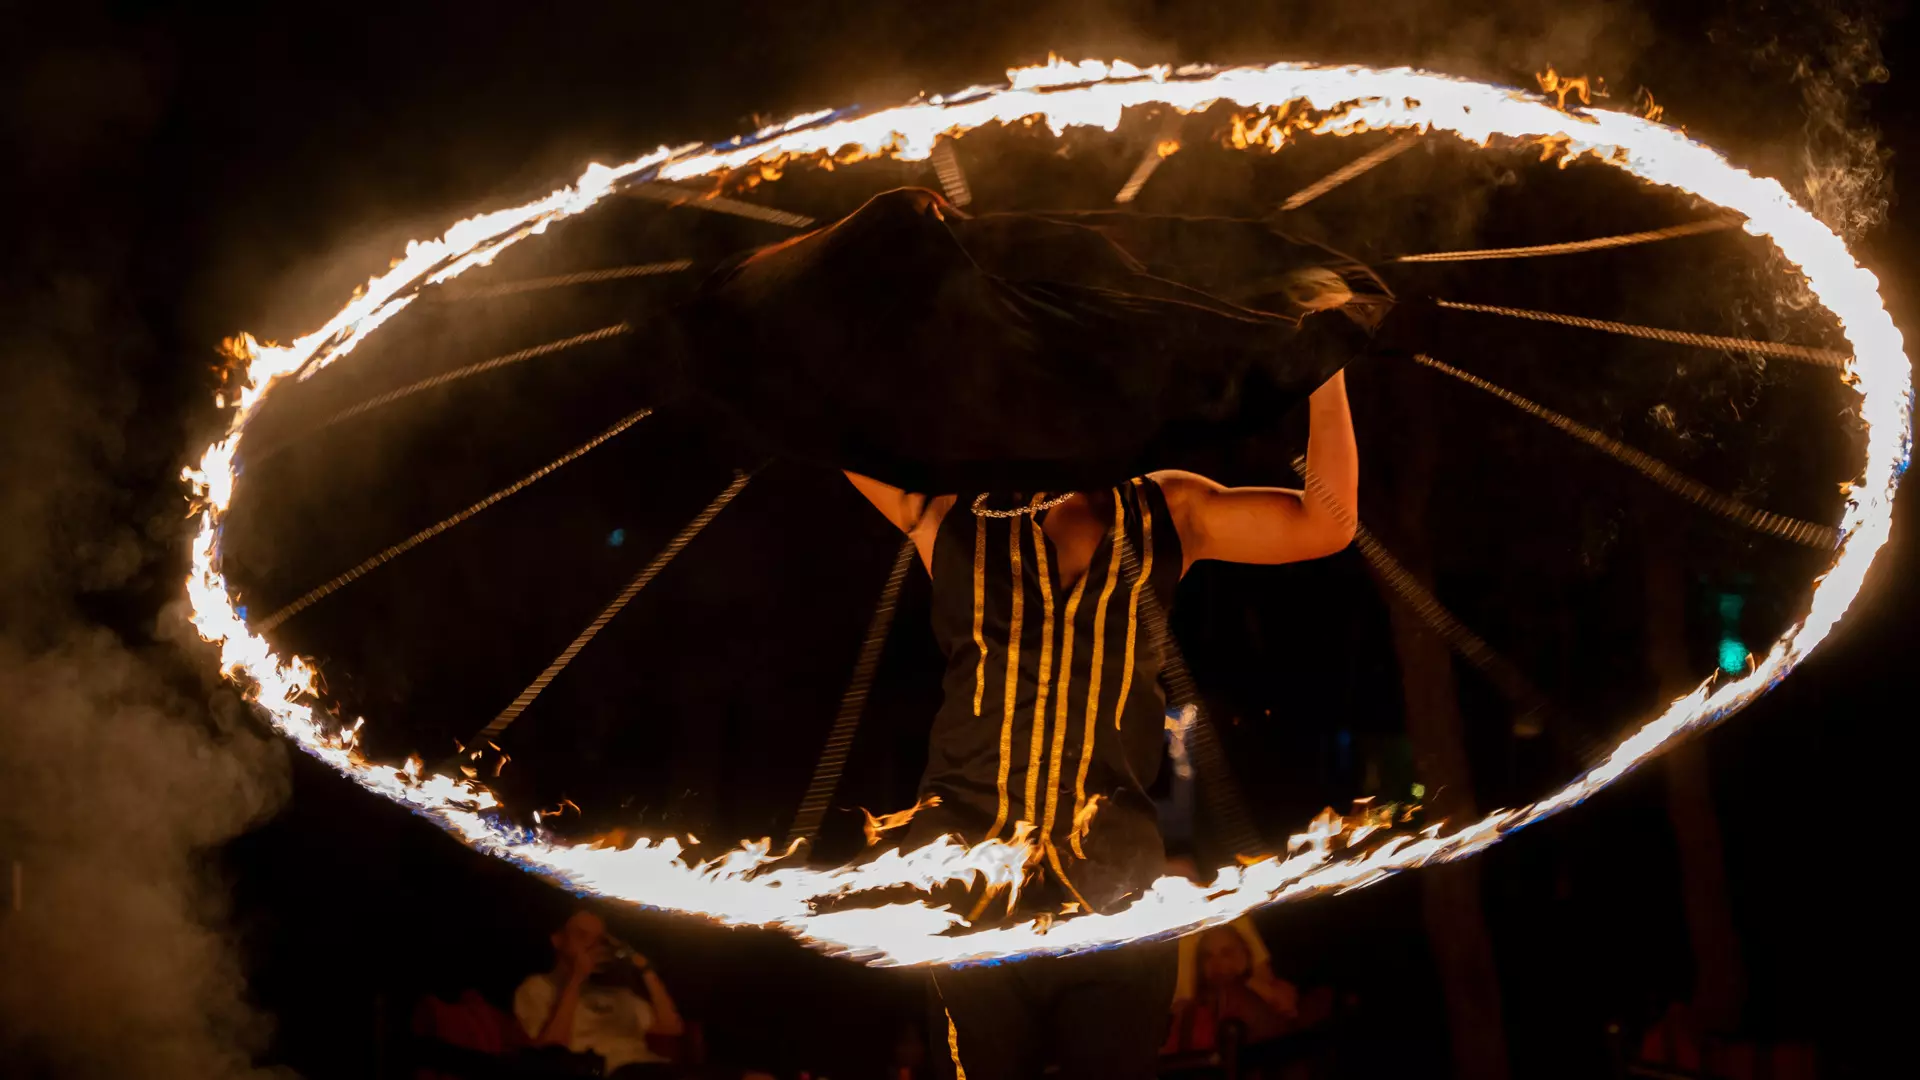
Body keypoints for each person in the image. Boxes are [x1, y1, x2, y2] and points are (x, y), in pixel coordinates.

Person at [841, 285, 1361, 1080]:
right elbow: (831, 407)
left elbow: (1325, 522)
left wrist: (1327, 361)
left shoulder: (1167, 510)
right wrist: (898, 266)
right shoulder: (950, 512)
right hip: (968, 893)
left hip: (1113, 892)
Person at [514, 909, 687, 1078]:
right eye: (582, 936)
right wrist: (576, 979)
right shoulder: (537, 988)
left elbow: (671, 1027)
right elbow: (550, 1053)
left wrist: (645, 969)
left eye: (599, 940)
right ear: (557, 939)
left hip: (649, 1068)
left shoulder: (618, 995)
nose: (592, 945)